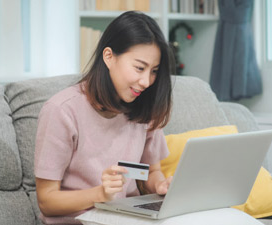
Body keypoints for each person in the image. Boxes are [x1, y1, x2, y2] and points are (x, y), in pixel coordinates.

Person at [34, 11, 175, 224]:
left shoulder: (144, 108)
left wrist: (160, 186)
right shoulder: (61, 111)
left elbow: (151, 173)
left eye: (154, 71)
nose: (146, 81)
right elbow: (47, 201)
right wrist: (100, 194)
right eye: (139, 68)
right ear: (109, 56)